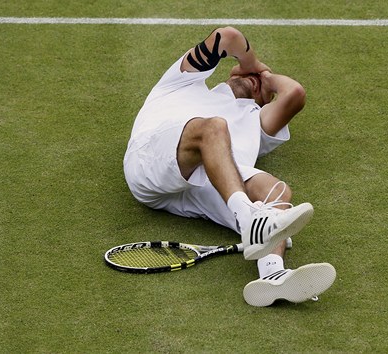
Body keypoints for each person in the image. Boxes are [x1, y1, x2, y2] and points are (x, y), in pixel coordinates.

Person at [123, 27, 335, 306]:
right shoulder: (182, 82)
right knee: (214, 128)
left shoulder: (256, 123)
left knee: (277, 191)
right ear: (231, 71)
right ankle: (250, 221)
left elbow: (294, 93)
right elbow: (227, 36)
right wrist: (254, 66)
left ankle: (273, 274)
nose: (255, 80)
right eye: (248, 75)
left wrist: (267, 80)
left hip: (197, 189)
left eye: (261, 87)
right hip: (149, 163)